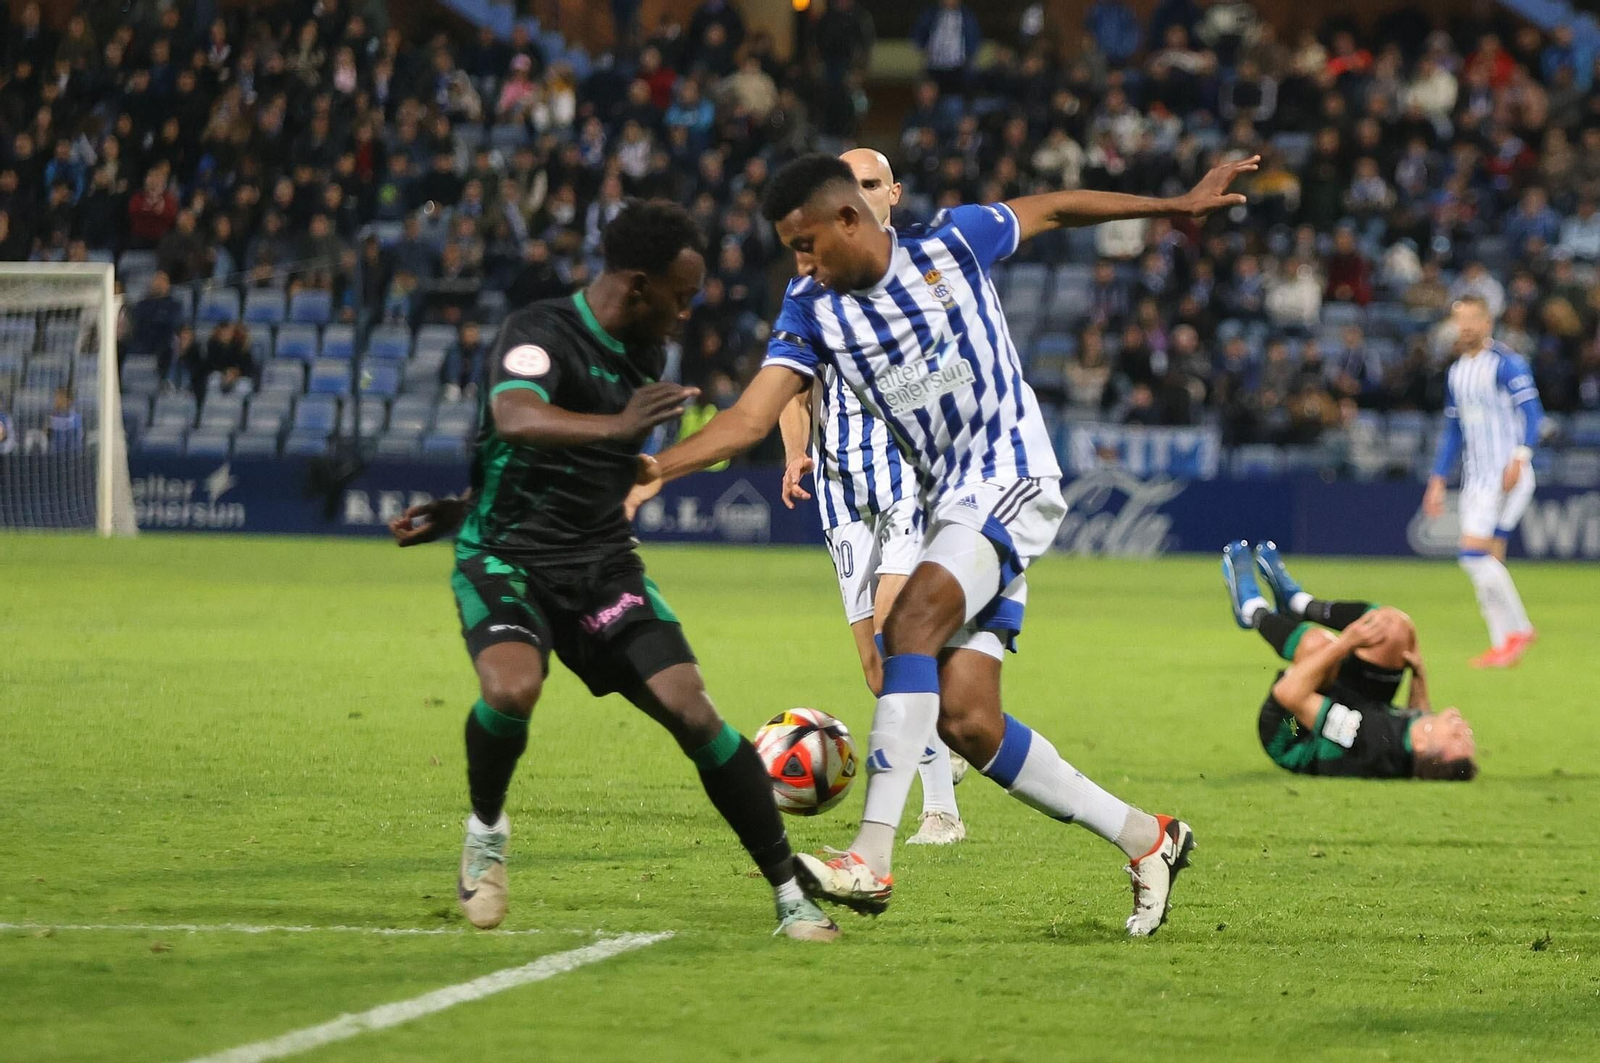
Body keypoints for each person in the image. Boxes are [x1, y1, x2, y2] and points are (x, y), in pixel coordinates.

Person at [628, 151, 1259, 936]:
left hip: (1013, 475)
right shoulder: (811, 309)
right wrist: (657, 463)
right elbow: (752, 419)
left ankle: (870, 853)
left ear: (848, 220)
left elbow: (1054, 206)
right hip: (946, 509)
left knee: (910, 623)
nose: (801, 263)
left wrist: (1173, 204)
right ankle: (1148, 838)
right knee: (969, 720)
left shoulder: (952, 243)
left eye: (806, 244)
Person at [386, 201, 838, 943]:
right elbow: (518, 419)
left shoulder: (644, 354)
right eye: (680, 296)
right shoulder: (538, 333)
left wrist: (466, 496)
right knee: (511, 686)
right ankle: (487, 830)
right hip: (507, 555)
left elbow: (581, 461)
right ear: (636, 285)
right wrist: (614, 431)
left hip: (600, 562)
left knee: (694, 711)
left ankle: (790, 891)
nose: (687, 313)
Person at [777, 148, 968, 847]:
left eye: (867, 182)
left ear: (892, 193)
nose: (854, 195)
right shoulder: (810, 288)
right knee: (875, 666)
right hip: (839, 489)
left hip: (908, 482)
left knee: (898, 635)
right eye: (845, 184)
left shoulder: (925, 274)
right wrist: (796, 449)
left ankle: (941, 809)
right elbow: (791, 389)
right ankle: (941, 738)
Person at [1221, 541, 1478, 781]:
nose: (1463, 727)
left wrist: (1346, 643)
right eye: (1468, 735)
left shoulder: (1367, 738)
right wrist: (1419, 674)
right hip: (1356, 706)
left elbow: (1289, 694)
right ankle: (1300, 604)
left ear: (1423, 744)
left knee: (1319, 647)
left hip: (1293, 728)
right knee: (1395, 628)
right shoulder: (1411, 742)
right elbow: (1418, 716)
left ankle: (1252, 611)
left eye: (1457, 735)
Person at [1423, 296, 1545, 668]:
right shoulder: (1457, 372)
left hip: (1506, 476)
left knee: (1472, 555)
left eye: (1473, 319)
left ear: (1488, 322)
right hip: (1477, 480)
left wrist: (1521, 456)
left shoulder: (1507, 364)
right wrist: (1438, 479)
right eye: (1460, 320)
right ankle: (1503, 646)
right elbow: (1453, 431)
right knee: (1488, 562)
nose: (1466, 327)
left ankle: (1520, 629)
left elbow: (1534, 414)